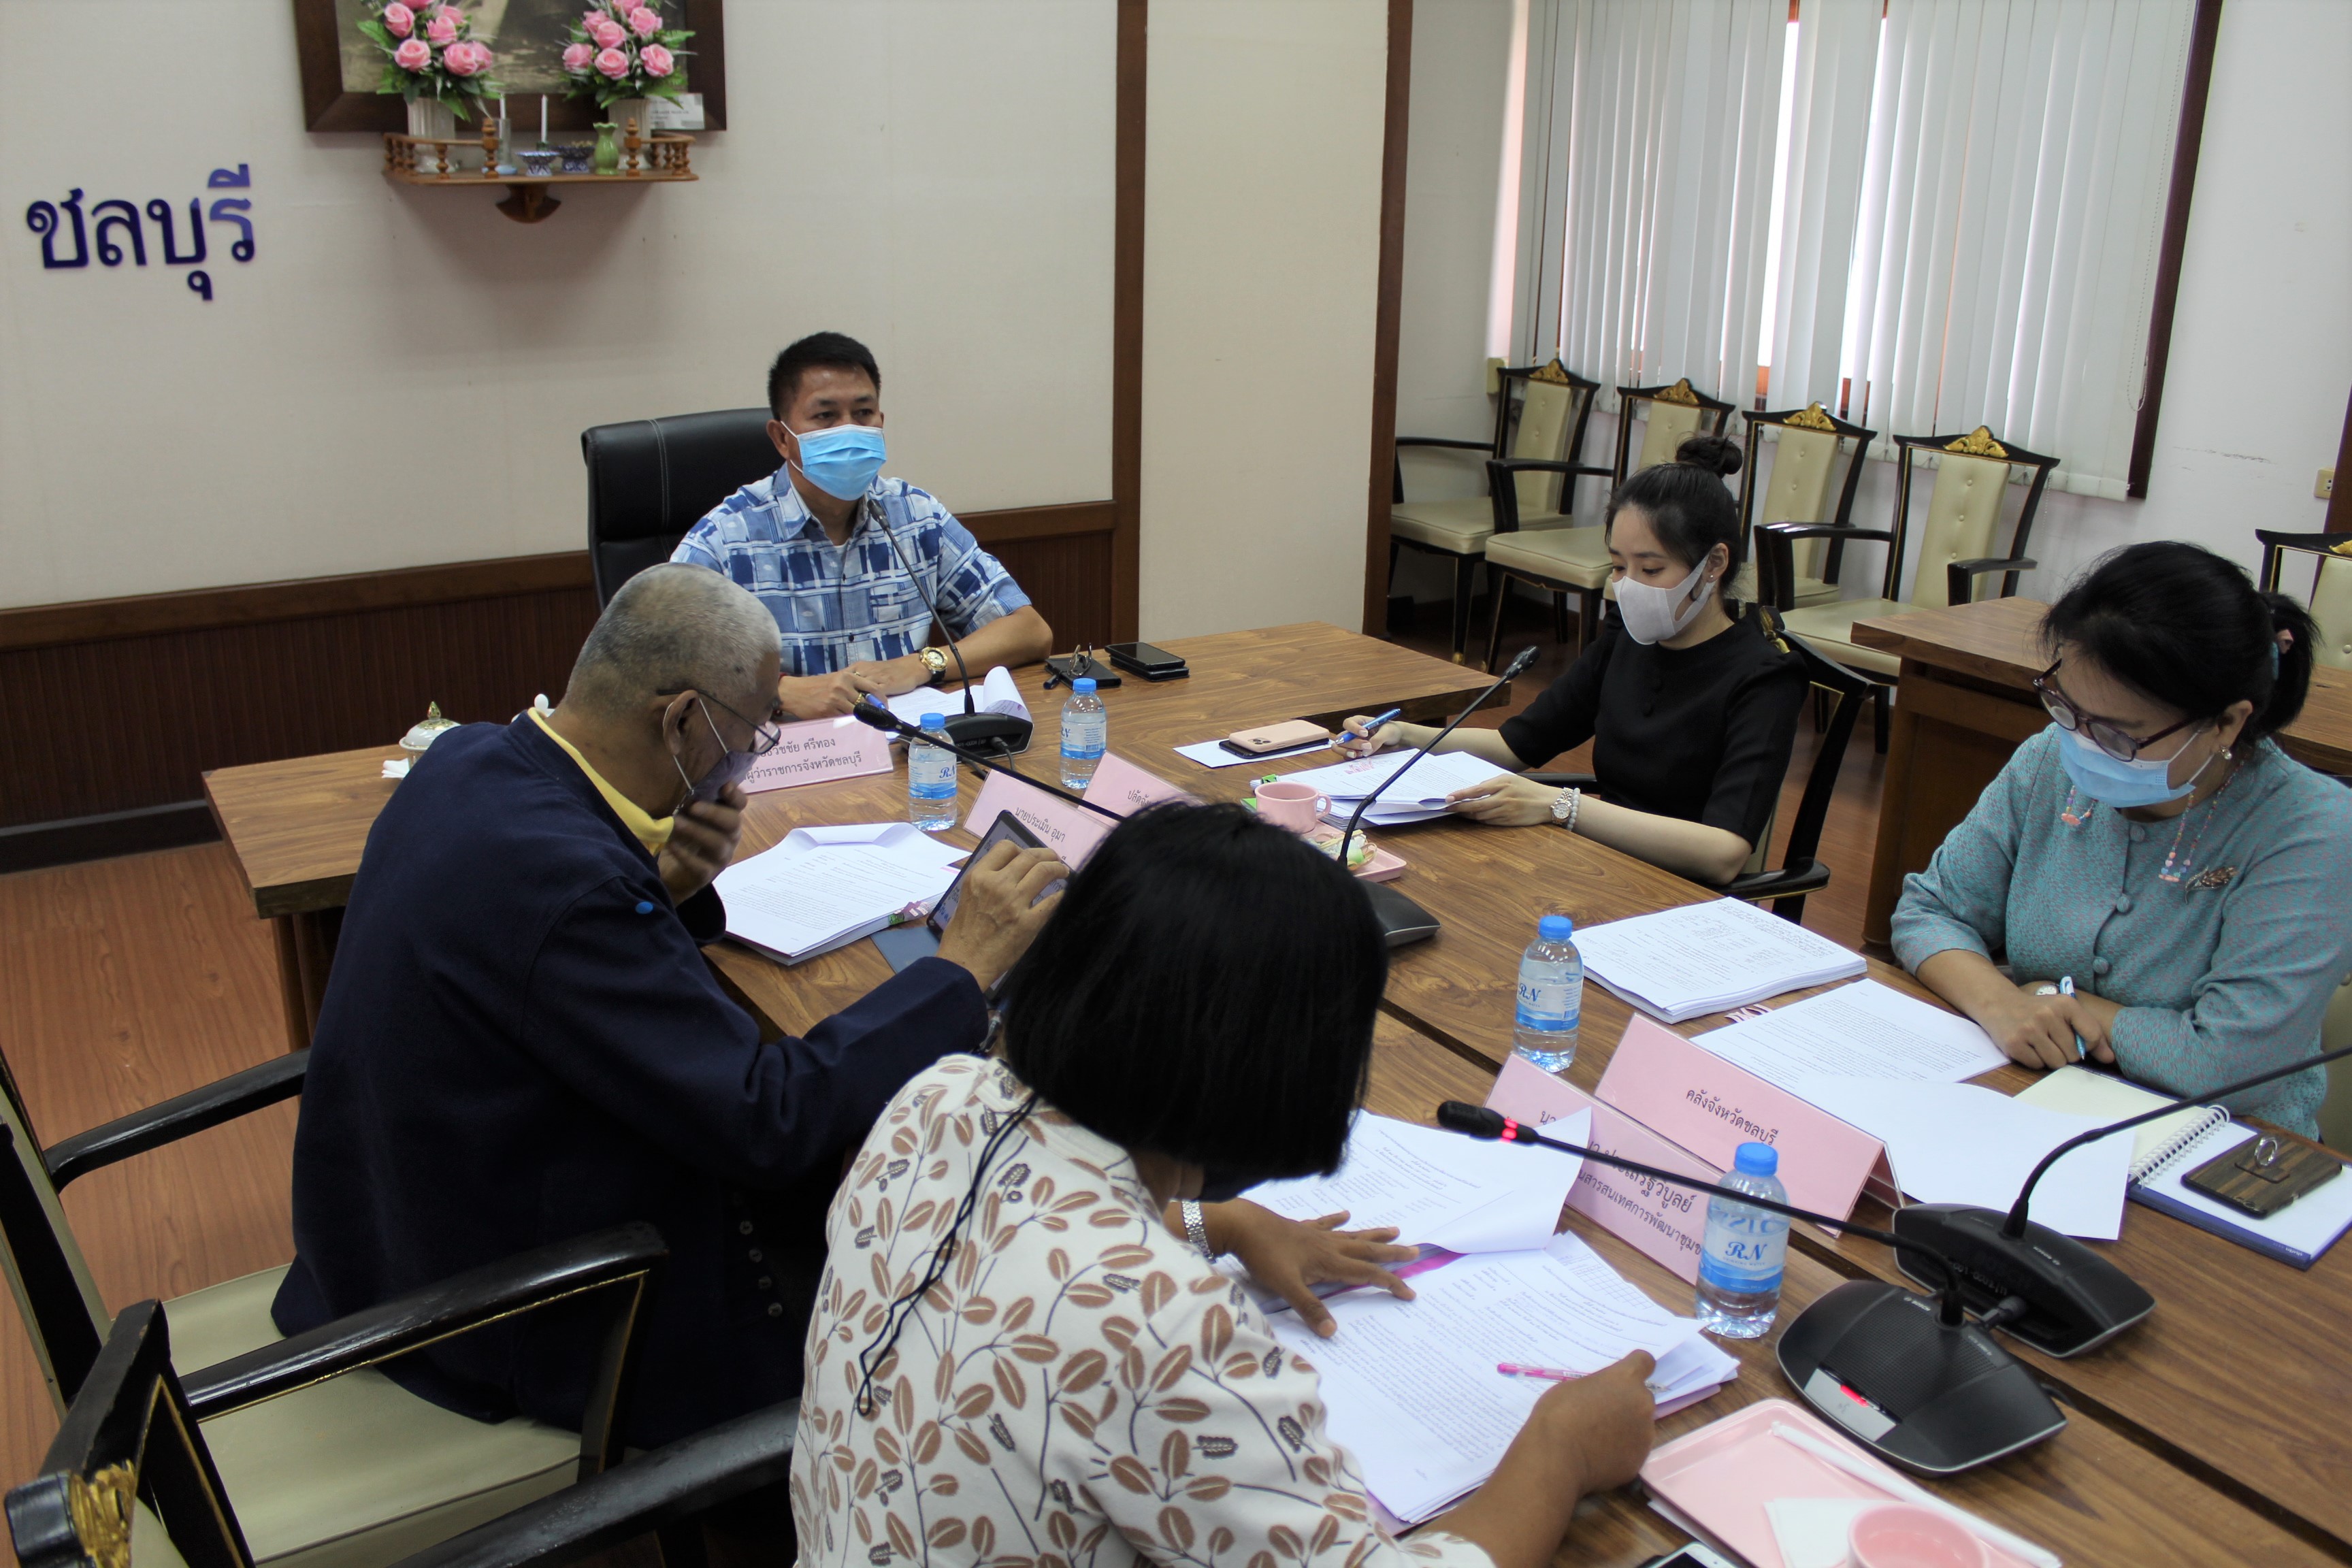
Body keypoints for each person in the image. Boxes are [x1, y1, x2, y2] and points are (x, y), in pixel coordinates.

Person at [273, 564, 1070, 1456]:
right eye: (754, 730)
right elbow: (768, 1120)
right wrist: (959, 971)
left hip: (381, 1237)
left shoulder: (466, 758)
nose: (750, 759)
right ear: (684, 719)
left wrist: (664, 884)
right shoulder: (572, 891)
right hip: (509, 1309)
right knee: (929, 1280)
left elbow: (546, 967)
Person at [791, 803, 1656, 1568]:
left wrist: (1223, 1225)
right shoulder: (1166, 1322)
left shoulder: (939, 1094)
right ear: (1276, 1068)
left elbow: (1017, 1239)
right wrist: (1562, 1451)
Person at [1893, 542, 2352, 1136]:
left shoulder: (2311, 828)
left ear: (2227, 722)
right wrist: (2000, 1002)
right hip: (2033, 1098)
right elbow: (1929, 910)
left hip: (2219, 1144)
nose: (2082, 743)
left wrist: (2054, 998)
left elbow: (2230, 1064)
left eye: (2120, 735)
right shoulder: (2048, 760)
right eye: (2066, 707)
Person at [1340, 435, 1806, 886]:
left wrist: (1563, 806)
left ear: (1714, 563)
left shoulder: (1764, 676)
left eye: (1651, 569)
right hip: (1595, 867)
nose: (1629, 587)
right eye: (1619, 566)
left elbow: (1723, 854)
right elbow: (1514, 746)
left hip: (1677, 895)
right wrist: (1403, 735)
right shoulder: (1628, 639)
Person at [672, 331, 1055, 720]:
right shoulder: (725, 540)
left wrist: (922, 664)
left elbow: (1029, 631)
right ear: (782, 439)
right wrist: (778, 692)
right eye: (826, 416)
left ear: (880, 423)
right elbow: (659, 674)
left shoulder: (915, 515)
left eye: (863, 413)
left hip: (902, 745)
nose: (849, 430)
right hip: (787, 750)